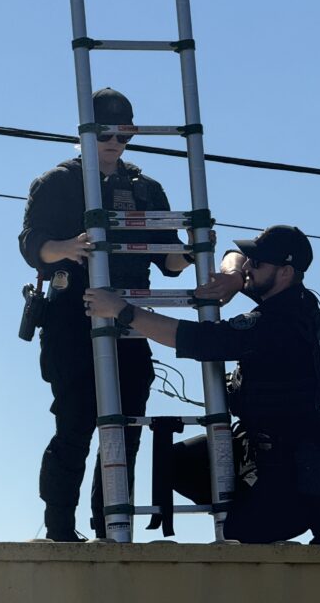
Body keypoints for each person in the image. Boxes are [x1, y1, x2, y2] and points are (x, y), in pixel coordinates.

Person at [83, 224, 320, 543]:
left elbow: (199, 340)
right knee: (175, 463)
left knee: (239, 532)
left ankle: (270, 509)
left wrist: (122, 311)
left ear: (285, 272)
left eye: (257, 263)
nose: (249, 266)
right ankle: (250, 501)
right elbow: (232, 256)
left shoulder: (277, 324)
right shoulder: (299, 301)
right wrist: (234, 276)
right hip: (269, 450)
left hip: (286, 473)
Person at [19, 88, 194, 541]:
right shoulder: (58, 182)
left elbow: (170, 261)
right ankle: (60, 528)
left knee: (126, 427)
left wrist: (194, 250)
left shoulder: (145, 189)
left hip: (129, 322)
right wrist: (68, 248)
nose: (115, 141)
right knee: (75, 424)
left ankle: (111, 526)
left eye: (124, 132)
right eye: (106, 131)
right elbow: (32, 245)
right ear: (85, 131)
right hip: (72, 322)